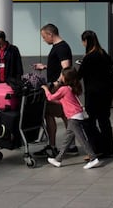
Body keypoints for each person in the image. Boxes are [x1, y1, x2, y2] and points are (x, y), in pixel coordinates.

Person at [42, 67, 100, 169]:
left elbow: (50, 97)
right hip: (76, 115)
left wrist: (45, 89)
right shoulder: (70, 88)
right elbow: (62, 101)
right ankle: (58, 159)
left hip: (73, 117)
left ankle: (93, 158)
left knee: (81, 139)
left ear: (65, 78)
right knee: (67, 140)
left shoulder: (63, 89)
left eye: (61, 75)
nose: (60, 77)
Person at [33, 23, 77, 158]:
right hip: (59, 86)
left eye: (44, 36)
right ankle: (70, 145)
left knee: (51, 114)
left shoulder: (61, 47)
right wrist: (46, 67)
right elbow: (60, 65)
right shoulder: (59, 47)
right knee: (63, 115)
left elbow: (66, 68)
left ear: (50, 34)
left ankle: (54, 146)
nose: (44, 39)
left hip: (58, 88)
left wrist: (56, 84)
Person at [77, 30, 113, 159]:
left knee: (89, 122)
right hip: (107, 93)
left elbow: (79, 75)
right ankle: (109, 150)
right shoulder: (103, 54)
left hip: (94, 94)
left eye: (83, 41)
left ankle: (96, 148)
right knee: (105, 121)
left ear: (86, 41)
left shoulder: (89, 57)